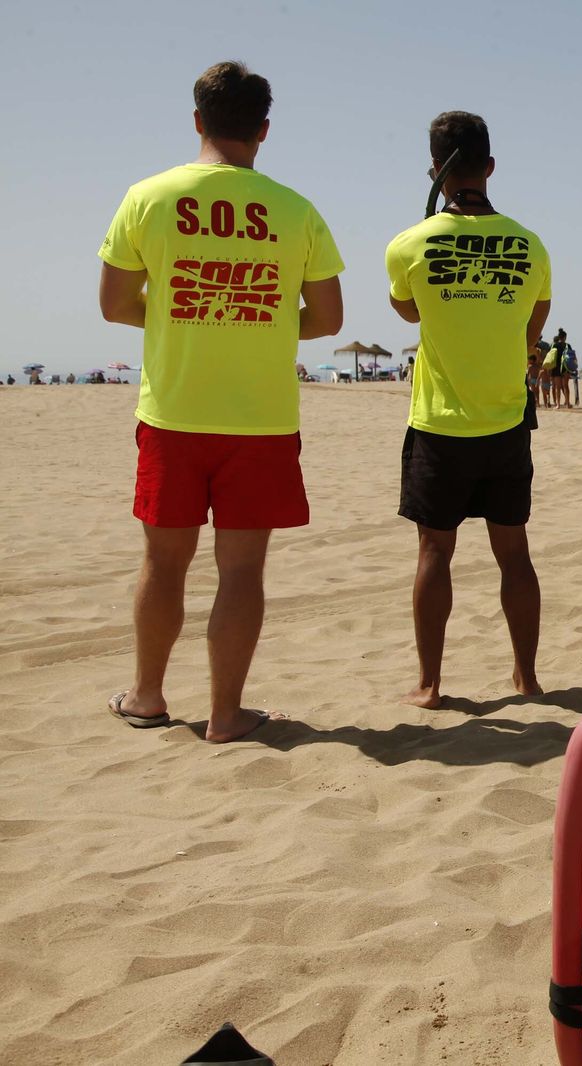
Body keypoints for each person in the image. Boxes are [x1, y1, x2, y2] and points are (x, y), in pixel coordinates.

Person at [97, 61, 344, 742]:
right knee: (241, 569)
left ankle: (147, 695)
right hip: (260, 421)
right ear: (264, 129)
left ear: (198, 120)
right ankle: (227, 714)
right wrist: (253, 316)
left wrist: (190, 308)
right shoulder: (296, 209)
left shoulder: (148, 196)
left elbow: (116, 303)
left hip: (174, 412)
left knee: (163, 560)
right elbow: (326, 320)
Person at [384, 110, 551, 707]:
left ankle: (429, 684)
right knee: (514, 552)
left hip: (439, 423)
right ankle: (526, 678)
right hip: (507, 418)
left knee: (435, 550)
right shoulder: (530, 244)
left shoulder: (409, 243)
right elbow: (535, 322)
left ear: (435, 168)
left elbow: (410, 312)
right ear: (490, 166)